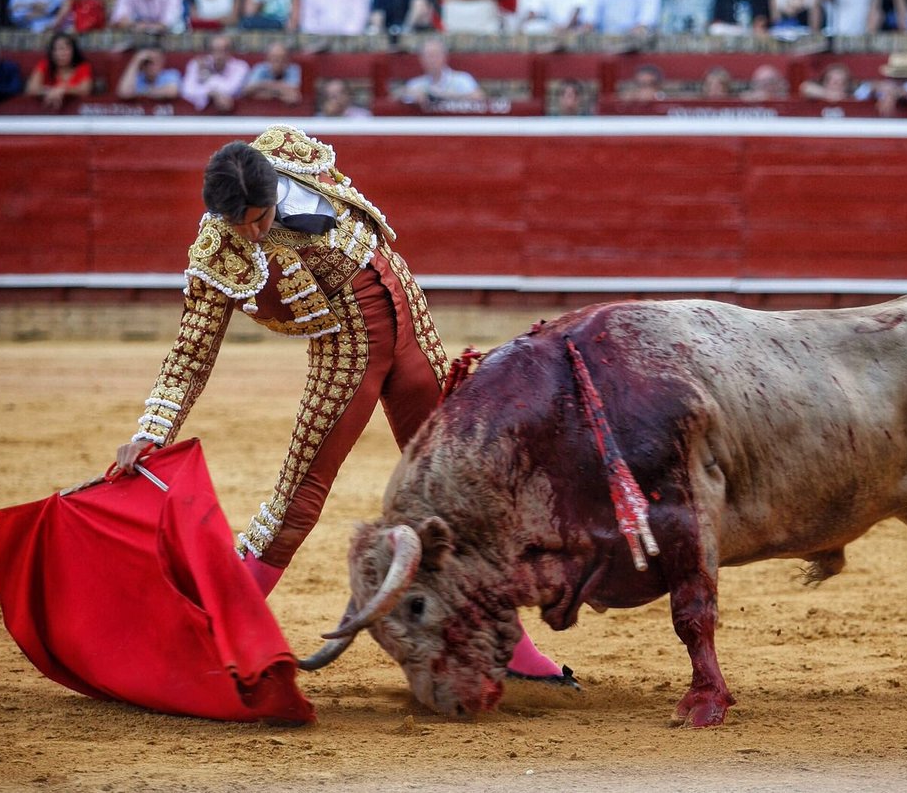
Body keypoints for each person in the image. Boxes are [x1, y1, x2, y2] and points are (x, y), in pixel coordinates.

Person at [112, 124, 572, 686]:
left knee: (460, 487)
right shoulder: (219, 252)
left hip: (410, 320)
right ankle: (201, 638)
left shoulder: (292, 150)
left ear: (273, 188)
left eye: (259, 218)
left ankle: (513, 652)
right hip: (347, 351)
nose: (253, 233)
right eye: (240, 224)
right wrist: (152, 432)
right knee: (298, 497)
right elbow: (192, 350)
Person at [395, 37, 487, 105]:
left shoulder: (461, 79)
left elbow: (479, 98)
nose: (432, 60)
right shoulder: (416, 84)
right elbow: (396, 98)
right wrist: (407, 93)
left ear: (444, 57)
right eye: (428, 56)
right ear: (421, 59)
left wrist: (440, 96)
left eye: (435, 55)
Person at [854, 51, 907, 117]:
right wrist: (875, 88)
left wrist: (893, 93)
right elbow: (859, 94)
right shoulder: (884, 86)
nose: (901, 78)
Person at [24, 31, 93, 111]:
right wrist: (51, 91)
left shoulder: (83, 66)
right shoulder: (45, 64)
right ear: (51, 53)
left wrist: (63, 90)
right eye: (56, 50)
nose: (60, 54)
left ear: (73, 51)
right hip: (45, 112)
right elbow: (31, 88)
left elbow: (85, 89)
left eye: (65, 49)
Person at [181, 34, 251, 113]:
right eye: (215, 50)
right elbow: (187, 90)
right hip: (198, 116)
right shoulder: (197, 64)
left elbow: (231, 90)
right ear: (209, 51)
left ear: (231, 51)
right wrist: (212, 93)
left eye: (224, 50)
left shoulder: (241, 67)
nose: (219, 55)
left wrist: (207, 76)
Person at [242, 41, 303, 106]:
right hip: (260, 108)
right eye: (274, 57)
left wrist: (262, 87)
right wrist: (280, 93)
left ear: (288, 59)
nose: (279, 61)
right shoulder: (260, 68)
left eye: (282, 57)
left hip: (284, 110)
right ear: (267, 58)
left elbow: (293, 95)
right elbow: (247, 91)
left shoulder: (293, 69)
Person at [115, 45, 182, 100]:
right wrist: (136, 60)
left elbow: (171, 92)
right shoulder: (137, 77)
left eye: (157, 60)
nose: (153, 64)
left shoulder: (170, 74)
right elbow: (124, 93)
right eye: (148, 61)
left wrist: (140, 92)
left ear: (162, 61)